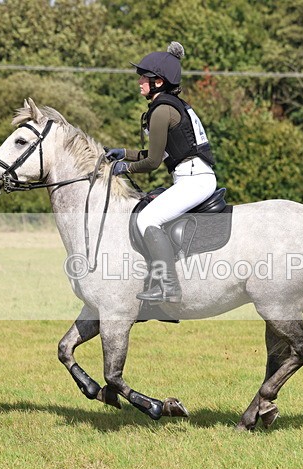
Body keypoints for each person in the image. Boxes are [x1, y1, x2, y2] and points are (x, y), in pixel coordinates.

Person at [105, 42, 216, 303]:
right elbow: (161, 153)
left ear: (159, 81)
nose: (140, 81)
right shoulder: (171, 105)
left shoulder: (162, 110)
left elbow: (153, 162)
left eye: (145, 77)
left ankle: (169, 287)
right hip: (192, 176)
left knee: (147, 219)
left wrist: (126, 168)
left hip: (194, 180)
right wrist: (124, 153)